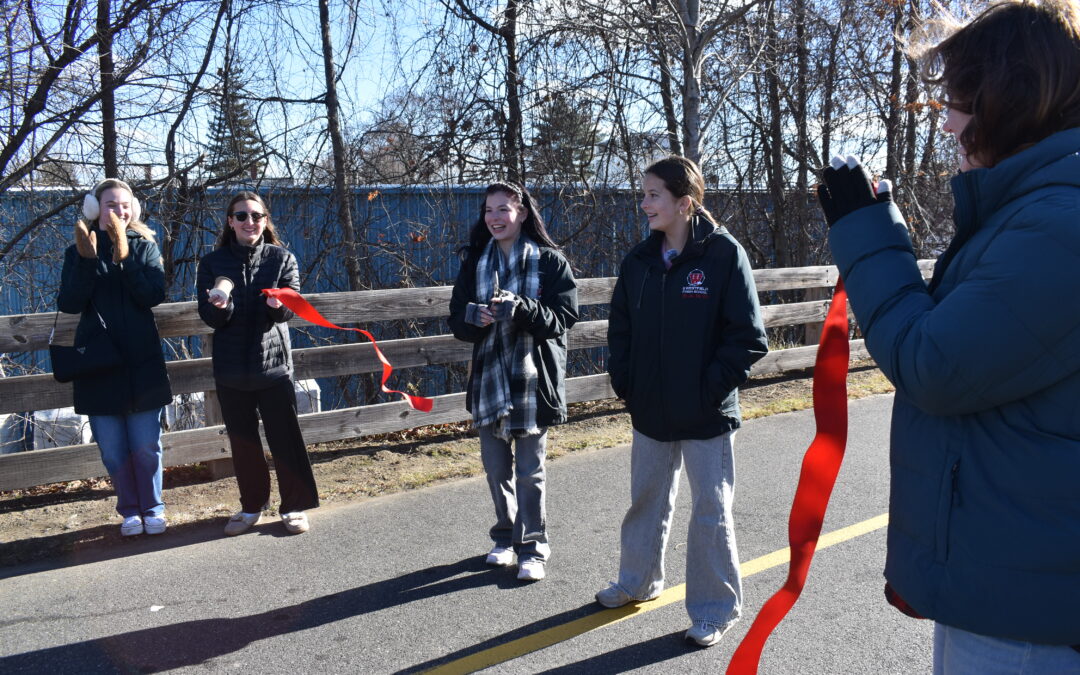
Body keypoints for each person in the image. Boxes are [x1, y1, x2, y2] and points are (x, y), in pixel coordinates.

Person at [816, 0, 1080, 670]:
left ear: (1009, 98)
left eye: (959, 100)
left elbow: (934, 360)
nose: (950, 122)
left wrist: (868, 234)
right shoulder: (1038, 207)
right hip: (1022, 571)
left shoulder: (1058, 222)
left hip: (1025, 600)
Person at [599, 156, 768, 647]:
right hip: (650, 409)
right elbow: (621, 330)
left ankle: (716, 609)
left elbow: (747, 338)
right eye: (644, 193)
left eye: (654, 195)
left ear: (685, 203)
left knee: (711, 511)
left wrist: (708, 389)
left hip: (705, 412)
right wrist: (626, 382)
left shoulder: (723, 255)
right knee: (646, 501)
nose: (644, 203)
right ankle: (637, 582)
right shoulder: (639, 262)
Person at [448, 182, 579, 582]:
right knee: (495, 468)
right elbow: (456, 320)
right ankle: (505, 537)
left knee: (529, 471)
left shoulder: (550, 261)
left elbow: (563, 319)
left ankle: (534, 547)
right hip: (488, 382)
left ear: (522, 213)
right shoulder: (474, 261)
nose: (494, 218)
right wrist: (475, 316)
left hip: (531, 385)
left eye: (503, 209)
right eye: (489, 210)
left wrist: (522, 309)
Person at [196, 192, 319, 536]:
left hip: (274, 367)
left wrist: (276, 303)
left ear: (265, 220)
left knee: (286, 439)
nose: (249, 222)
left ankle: (293, 505)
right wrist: (222, 306)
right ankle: (252, 506)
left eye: (256, 215)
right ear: (230, 222)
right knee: (243, 442)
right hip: (232, 371)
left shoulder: (282, 259)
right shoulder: (212, 263)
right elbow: (209, 318)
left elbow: (288, 311)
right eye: (241, 216)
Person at [57, 178, 173, 537]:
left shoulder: (146, 245)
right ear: (95, 209)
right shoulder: (79, 248)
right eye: (110, 205)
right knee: (112, 450)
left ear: (133, 208)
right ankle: (129, 511)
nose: (118, 211)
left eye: (124, 205)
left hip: (142, 362)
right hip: (98, 364)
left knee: (145, 446)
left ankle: (153, 508)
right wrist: (87, 261)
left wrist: (125, 256)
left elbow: (153, 294)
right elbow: (69, 303)